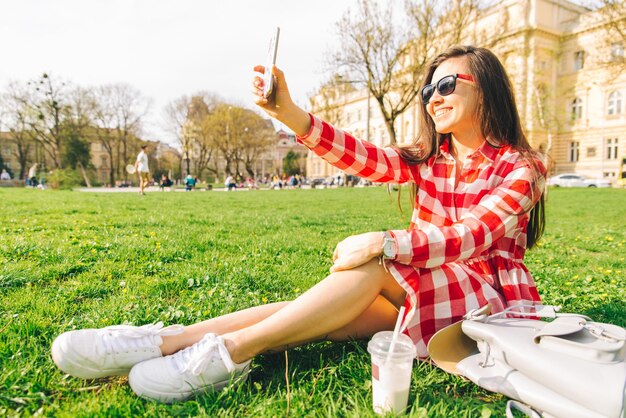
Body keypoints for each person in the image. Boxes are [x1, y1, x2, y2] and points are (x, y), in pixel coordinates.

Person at [50, 46, 546, 404]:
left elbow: (472, 237)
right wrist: (287, 111)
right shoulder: (427, 158)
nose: (432, 98)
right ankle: (167, 341)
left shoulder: (522, 166)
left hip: (486, 300)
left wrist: (385, 242)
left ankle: (227, 355)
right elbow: (361, 156)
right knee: (318, 312)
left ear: (487, 90)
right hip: (426, 287)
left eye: (446, 85)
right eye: (427, 90)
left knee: (376, 262)